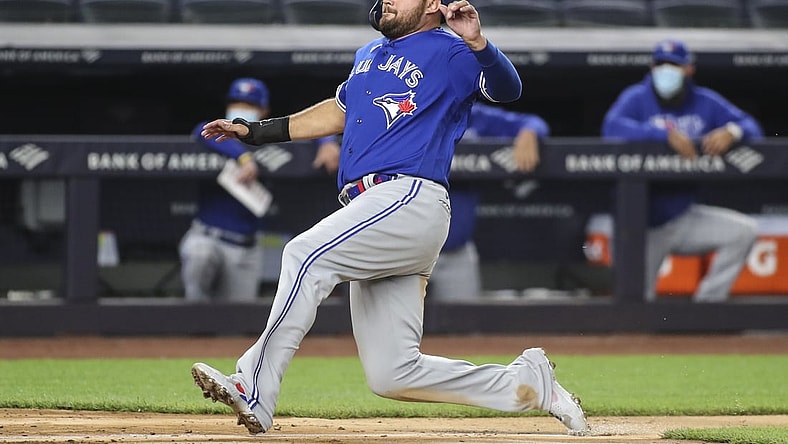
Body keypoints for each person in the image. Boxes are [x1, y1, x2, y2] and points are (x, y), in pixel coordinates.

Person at [191, 0, 588, 437]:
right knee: (392, 373)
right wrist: (256, 132)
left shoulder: (452, 50)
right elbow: (338, 111)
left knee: (304, 255)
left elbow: (508, 89)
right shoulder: (370, 54)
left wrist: (478, 42)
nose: (387, 2)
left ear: (434, 4)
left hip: (407, 194)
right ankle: (528, 383)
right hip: (376, 208)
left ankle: (254, 386)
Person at [601, 39, 763, 303]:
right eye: (661, 64)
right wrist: (662, 134)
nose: (666, 70)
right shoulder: (637, 97)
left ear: (689, 69)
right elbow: (611, 128)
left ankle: (708, 307)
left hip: (682, 214)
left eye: (674, 65)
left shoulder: (704, 101)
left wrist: (733, 132)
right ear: (652, 67)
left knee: (744, 232)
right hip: (640, 224)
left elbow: (751, 126)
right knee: (635, 309)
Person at [179, 77, 340, 303]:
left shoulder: (269, 140)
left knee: (240, 322)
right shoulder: (221, 137)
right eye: (237, 102)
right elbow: (200, 130)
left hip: (246, 248)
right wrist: (243, 158)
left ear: (263, 110)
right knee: (199, 255)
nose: (242, 109)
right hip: (206, 238)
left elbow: (310, 126)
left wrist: (327, 143)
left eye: (250, 105)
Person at [428, 102, 549, 301]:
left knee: (466, 327)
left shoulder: (472, 115)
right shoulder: (409, 113)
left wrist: (530, 132)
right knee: (391, 325)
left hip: (455, 254)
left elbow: (533, 122)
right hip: (404, 249)